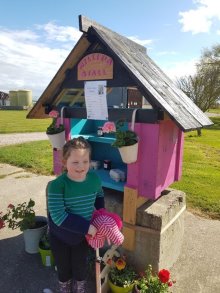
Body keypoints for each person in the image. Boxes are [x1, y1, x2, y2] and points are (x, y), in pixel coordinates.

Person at [47, 137, 104, 293]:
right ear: (65, 162)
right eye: (75, 162)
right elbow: (58, 216)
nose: (81, 167)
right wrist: (88, 227)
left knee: (81, 264)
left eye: (85, 161)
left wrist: (101, 215)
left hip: (82, 237)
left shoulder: (94, 179)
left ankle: (80, 286)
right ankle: (64, 286)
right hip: (60, 236)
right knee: (63, 266)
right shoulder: (57, 185)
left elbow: (99, 195)